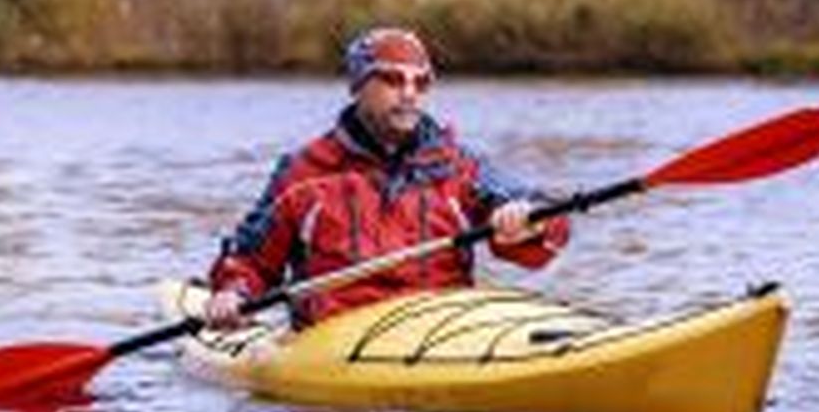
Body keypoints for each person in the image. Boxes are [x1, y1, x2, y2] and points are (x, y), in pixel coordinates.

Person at [203, 27, 570, 328]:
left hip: (444, 329)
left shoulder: (458, 166)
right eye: (393, 80)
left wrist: (527, 222)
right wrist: (234, 293)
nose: (409, 94)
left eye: (420, 83)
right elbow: (250, 261)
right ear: (359, 85)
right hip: (338, 339)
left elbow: (541, 218)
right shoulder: (303, 175)